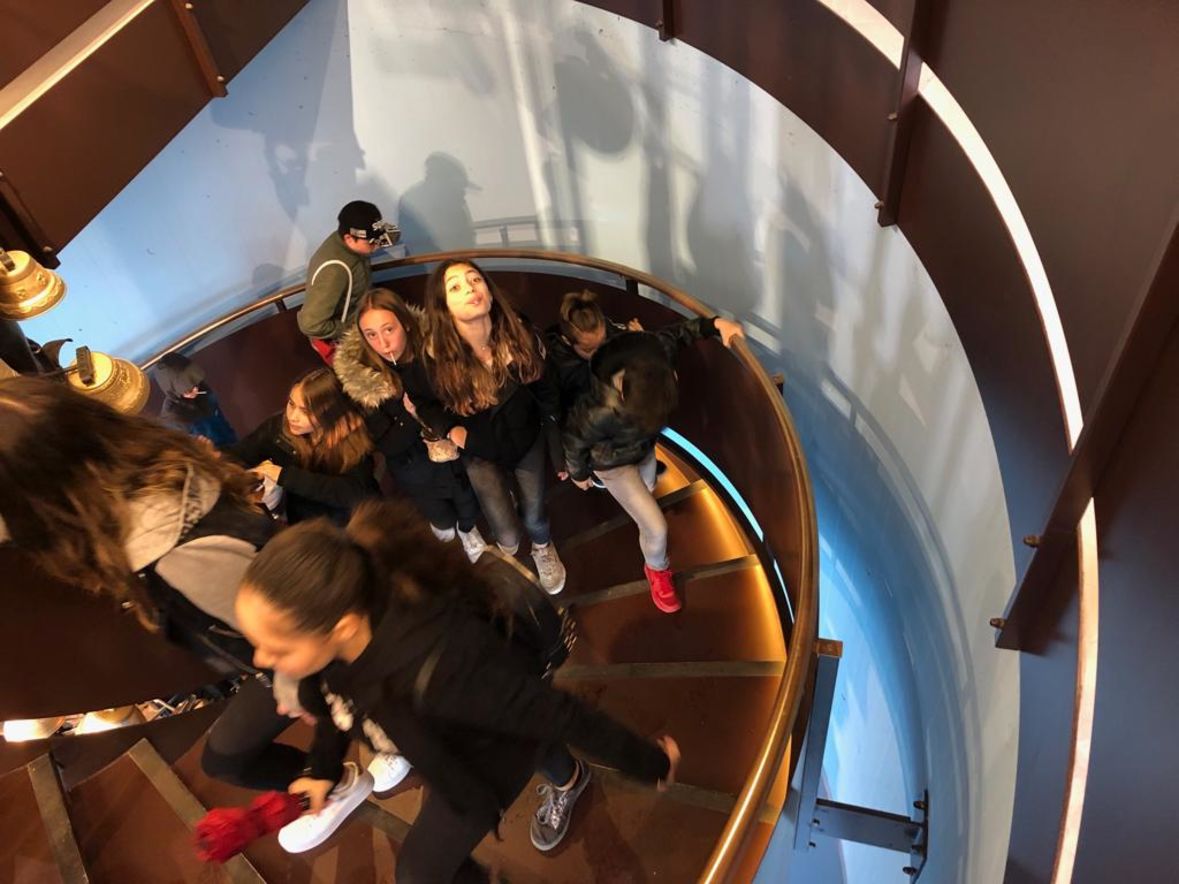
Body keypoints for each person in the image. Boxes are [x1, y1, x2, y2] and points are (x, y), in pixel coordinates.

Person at [235, 499, 680, 878]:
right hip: (454, 740)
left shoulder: (444, 668)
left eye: (277, 648)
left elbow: (556, 713)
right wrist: (322, 769)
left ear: (343, 627)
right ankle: (569, 776)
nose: (260, 660)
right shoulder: (335, 651)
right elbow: (338, 707)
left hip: (489, 756)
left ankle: (571, 779)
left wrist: (651, 762)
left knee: (419, 872)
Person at [563, 314, 745, 612]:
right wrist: (578, 473)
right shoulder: (597, 412)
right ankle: (657, 569)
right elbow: (574, 440)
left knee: (648, 487)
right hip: (612, 463)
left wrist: (715, 325)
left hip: (644, 448)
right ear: (623, 393)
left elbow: (682, 333)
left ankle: (641, 506)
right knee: (656, 527)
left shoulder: (656, 352)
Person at [423, 259, 567, 594]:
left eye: (475, 279)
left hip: (526, 440)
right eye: (455, 287)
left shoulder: (520, 336)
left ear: (488, 289)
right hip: (479, 451)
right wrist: (453, 430)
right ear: (443, 306)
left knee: (534, 512)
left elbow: (547, 393)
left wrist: (557, 448)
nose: (470, 288)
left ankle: (543, 546)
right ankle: (510, 551)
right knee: (505, 529)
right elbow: (423, 401)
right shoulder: (435, 355)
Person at [333, 287, 487, 562]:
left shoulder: (433, 354)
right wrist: (411, 416)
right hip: (415, 467)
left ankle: (468, 530)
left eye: (388, 329)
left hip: (455, 454)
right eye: (371, 335)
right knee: (440, 517)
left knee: (467, 504)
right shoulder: (364, 381)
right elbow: (386, 443)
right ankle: (448, 531)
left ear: (405, 322)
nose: (383, 343)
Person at [225, 368, 379, 526]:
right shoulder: (277, 428)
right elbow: (239, 455)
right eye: (291, 404)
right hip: (307, 524)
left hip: (355, 522)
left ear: (329, 412)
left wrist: (283, 476)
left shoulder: (350, 439)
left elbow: (352, 494)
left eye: (306, 411)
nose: (293, 417)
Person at [298, 200, 400, 363]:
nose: (376, 246)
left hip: (361, 318)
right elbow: (311, 325)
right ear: (349, 239)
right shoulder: (334, 271)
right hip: (345, 341)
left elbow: (391, 235)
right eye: (371, 242)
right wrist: (356, 328)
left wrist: (379, 234)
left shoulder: (351, 238)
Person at [546, 289, 640, 420]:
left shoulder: (615, 335)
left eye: (602, 343)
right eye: (589, 350)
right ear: (567, 341)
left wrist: (642, 341)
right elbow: (551, 409)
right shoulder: (555, 362)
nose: (599, 353)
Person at [152, 351, 238, 446]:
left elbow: (222, 423)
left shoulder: (204, 391)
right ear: (173, 390)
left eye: (195, 382)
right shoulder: (173, 420)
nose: (195, 390)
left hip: (231, 444)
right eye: (188, 389)